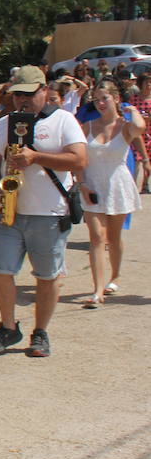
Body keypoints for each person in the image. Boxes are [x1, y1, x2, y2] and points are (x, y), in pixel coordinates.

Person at [0, 65, 88, 359]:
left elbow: (79, 160)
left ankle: (40, 331)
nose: (22, 101)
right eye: (18, 95)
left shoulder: (63, 120)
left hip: (49, 212)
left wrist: (36, 157)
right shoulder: (5, 122)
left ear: (44, 91)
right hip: (10, 212)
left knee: (47, 276)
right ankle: (8, 325)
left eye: (28, 94)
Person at [75, 82, 144, 306]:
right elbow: (77, 156)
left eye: (105, 98)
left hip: (117, 185)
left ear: (115, 98)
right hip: (92, 186)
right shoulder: (87, 126)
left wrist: (131, 110)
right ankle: (97, 292)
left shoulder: (125, 126)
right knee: (96, 237)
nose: (101, 103)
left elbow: (140, 128)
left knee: (113, 238)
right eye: (96, 100)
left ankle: (115, 276)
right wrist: (82, 183)